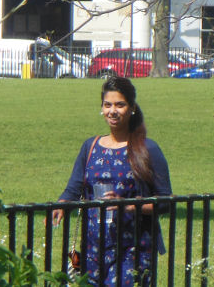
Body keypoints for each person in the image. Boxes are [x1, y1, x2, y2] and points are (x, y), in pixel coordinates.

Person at [50, 76, 172, 286]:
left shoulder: (147, 149)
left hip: (133, 250)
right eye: (108, 105)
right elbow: (74, 188)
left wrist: (128, 206)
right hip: (93, 248)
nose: (112, 111)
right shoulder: (91, 146)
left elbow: (165, 201)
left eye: (119, 105)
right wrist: (61, 206)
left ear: (132, 108)